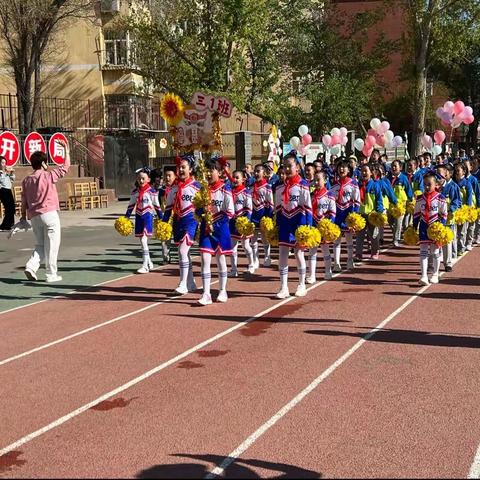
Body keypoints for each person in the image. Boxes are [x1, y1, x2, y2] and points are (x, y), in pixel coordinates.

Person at [21, 141, 70, 282]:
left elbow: (23, 200)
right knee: (52, 245)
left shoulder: (26, 180)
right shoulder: (48, 175)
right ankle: (51, 274)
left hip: (34, 216)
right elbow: (65, 167)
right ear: (43, 164)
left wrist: (23, 218)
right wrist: (66, 150)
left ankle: (31, 266)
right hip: (49, 214)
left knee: (41, 245)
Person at [274, 152, 312, 298]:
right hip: (284, 222)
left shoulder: (303, 186)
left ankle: (302, 284)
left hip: (299, 222)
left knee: (298, 253)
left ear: (297, 167)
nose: (287, 169)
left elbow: (308, 208)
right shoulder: (278, 187)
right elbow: (277, 208)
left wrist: (307, 227)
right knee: (282, 254)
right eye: (285, 167)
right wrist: (276, 225)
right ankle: (283, 287)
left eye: (290, 166)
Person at [197, 158, 234, 305]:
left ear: (218, 172)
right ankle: (206, 293)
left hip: (221, 229)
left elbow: (230, 211)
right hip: (206, 229)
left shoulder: (225, 189)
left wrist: (216, 224)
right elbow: (197, 209)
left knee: (220, 259)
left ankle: (222, 290)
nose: (208, 173)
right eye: (206, 170)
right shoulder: (203, 190)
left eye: (211, 170)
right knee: (205, 259)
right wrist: (200, 210)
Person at [163, 155, 199, 294]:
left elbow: (203, 207)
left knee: (183, 251)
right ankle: (191, 282)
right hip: (178, 222)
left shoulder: (196, 187)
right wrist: (164, 225)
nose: (181, 170)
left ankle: (183, 283)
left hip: (191, 222)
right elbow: (168, 208)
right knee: (184, 253)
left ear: (190, 169)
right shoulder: (174, 188)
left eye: (184, 167)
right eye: (179, 167)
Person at [124, 168, 163, 273]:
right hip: (139, 217)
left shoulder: (152, 192)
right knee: (141, 241)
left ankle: (145, 265)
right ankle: (149, 262)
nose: (141, 181)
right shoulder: (135, 192)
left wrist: (162, 220)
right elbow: (130, 206)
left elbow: (157, 207)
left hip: (147, 217)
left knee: (143, 240)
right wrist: (126, 219)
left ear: (148, 179)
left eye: (143, 179)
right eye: (139, 179)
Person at [413, 172, 447, 285]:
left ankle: (435, 274)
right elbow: (417, 214)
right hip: (424, 225)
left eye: (429, 184)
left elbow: (444, 214)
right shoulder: (420, 199)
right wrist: (414, 227)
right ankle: (423, 276)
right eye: (425, 184)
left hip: (435, 227)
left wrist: (440, 226)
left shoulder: (440, 198)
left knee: (435, 251)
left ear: (436, 184)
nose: (427, 187)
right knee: (423, 251)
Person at [330, 159, 360, 272]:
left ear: (349, 170)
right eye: (339, 167)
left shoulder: (353, 184)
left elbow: (356, 201)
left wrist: (354, 217)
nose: (341, 169)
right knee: (336, 240)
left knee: (348, 239)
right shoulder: (334, 186)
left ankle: (350, 260)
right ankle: (336, 263)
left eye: (344, 167)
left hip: (348, 214)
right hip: (337, 215)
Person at [307, 170, 336, 283]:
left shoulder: (329, 195)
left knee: (325, 250)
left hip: (324, 227)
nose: (317, 182)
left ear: (325, 180)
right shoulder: (311, 195)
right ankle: (312, 275)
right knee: (312, 251)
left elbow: (333, 212)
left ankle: (328, 271)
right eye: (315, 180)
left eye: (319, 179)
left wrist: (328, 226)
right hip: (313, 226)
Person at [355, 163, 384, 261]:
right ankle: (358, 253)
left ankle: (375, 251)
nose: (363, 173)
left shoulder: (375, 185)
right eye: (362, 171)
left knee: (374, 235)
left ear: (371, 173)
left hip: (372, 214)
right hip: (361, 214)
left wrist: (379, 211)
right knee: (360, 235)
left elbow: (379, 200)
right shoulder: (358, 185)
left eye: (366, 171)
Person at [229, 169, 255, 276]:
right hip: (232, 222)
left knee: (245, 245)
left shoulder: (246, 192)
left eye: (237, 177)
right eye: (233, 177)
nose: (235, 180)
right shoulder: (229, 191)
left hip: (243, 222)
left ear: (243, 179)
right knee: (232, 247)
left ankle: (251, 265)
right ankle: (234, 269)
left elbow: (249, 209)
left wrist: (245, 223)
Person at [436, 164, 461, 271]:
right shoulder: (434, 187)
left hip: (448, 218)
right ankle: (433, 263)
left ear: (446, 174)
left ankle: (448, 263)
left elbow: (457, 201)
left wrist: (451, 209)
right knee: (436, 240)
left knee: (447, 240)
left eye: (440, 174)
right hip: (436, 218)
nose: (437, 177)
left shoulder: (453, 186)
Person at [251, 164, 274, 268]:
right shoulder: (251, 187)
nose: (256, 173)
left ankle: (267, 256)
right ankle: (255, 259)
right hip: (254, 215)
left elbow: (270, 203)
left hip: (263, 215)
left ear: (264, 173)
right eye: (255, 171)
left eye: (258, 171)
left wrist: (268, 217)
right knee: (253, 238)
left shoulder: (267, 187)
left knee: (264, 237)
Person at [388, 160, 413, 246]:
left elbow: (408, 190)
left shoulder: (403, 178)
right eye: (392, 166)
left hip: (400, 205)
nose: (393, 168)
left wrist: (411, 200)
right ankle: (395, 234)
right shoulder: (389, 178)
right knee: (390, 222)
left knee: (398, 223)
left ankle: (396, 239)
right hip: (390, 205)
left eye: (395, 166)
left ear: (400, 168)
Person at [454, 161, 473, 256]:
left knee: (462, 231)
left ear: (464, 172)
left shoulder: (467, 183)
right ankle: (455, 248)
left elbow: (469, 198)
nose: (456, 172)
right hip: (454, 210)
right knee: (455, 231)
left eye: (458, 170)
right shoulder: (453, 183)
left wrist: (467, 209)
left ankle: (461, 247)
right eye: (455, 170)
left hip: (463, 211)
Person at [0, 156, 15, 230]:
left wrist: (11, 173)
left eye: (5, 163)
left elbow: (12, 180)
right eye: (2, 163)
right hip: (3, 190)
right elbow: (2, 180)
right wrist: (5, 172)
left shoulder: (6, 172)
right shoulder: (1, 172)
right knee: (8, 208)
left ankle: (10, 224)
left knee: (12, 207)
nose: (4, 164)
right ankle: (5, 225)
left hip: (8, 189)